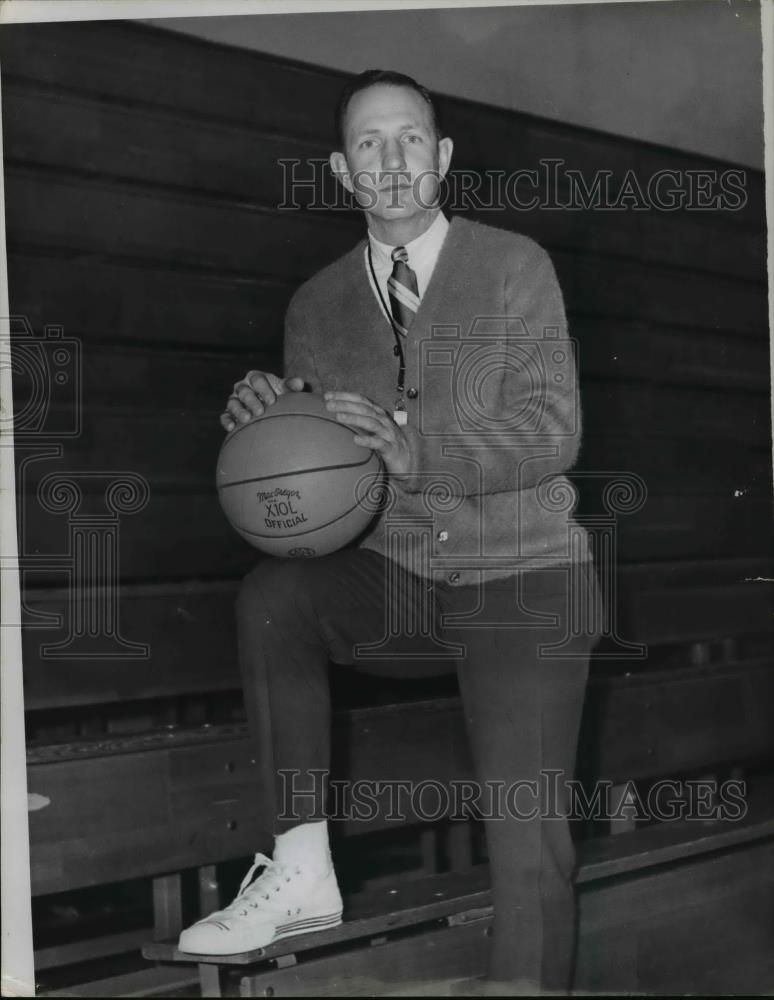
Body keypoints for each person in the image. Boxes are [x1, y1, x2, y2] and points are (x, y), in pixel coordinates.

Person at [178, 69, 604, 993]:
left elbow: (553, 427)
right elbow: (330, 478)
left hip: (524, 576)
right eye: (370, 144)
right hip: (404, 577)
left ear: (442, 156)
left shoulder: (514, 264)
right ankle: (300, 864)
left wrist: (423, 452)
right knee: (275, 597)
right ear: (342, 170)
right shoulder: (314, 306)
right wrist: (269, 427)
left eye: (409, 138)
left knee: (528, 844)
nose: (393, 160)